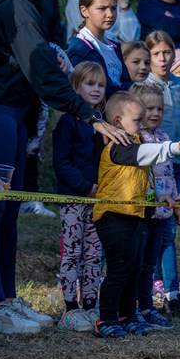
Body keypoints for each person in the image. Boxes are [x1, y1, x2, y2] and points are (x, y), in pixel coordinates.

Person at [0, 0, 127, 334]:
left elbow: (38, 65)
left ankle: (6, 298)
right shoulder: (20, 8)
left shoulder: (30, 3)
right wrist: (89, 115)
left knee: (11, 211)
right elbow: (43, 72)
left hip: (16, 116)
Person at [91, 91, 180, 339]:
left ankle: (128, 315)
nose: (142, 123)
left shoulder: (134, 143)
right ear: (117, 122)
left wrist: (158, 199)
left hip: (136, 217)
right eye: (137, 120)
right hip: (114, 218)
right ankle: (106, 319)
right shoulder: (119, 147)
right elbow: (144, 154)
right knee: (118, 271)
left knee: (134, 269)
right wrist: (175, 148)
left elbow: (143, 184)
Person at [144, 30, 180, 314]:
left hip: (177, 164)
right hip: (151, 164)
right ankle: (153, 287)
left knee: (168, 229)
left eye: (167, 52)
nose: (163, 58)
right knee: (151, 227)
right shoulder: (143, 87)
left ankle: (171, 292)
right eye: (156, 54)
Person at [53, 62, 107, 332]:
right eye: (90, 84)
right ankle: (70, 308)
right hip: (74, 198)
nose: (96, 89)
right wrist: (86, 186)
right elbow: (62, 163)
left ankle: (90, 302)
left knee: (94, 253)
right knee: (72, 252)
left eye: (100, 85)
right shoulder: (67, 122)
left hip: (98, 199)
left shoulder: (102, 125)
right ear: (76, 87)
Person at [128, 82, 180, 330]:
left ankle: (148, 309)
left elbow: (170, 175)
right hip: (141, 213)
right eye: (149, 108)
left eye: (159, 109)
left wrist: (177, 204)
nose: (155, 114)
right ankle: (132, 309)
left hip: (163, 213)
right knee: (136, 263)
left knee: (150, 264)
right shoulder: (135, 139)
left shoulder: (165, 137)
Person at [67, 0, 131, 95]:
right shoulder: (81, 48)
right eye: (102, 8)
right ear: (84, 11)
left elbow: (126, 81)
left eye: (113, 8)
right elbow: (100, 89)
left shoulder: (114, 46)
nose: (110, 14)